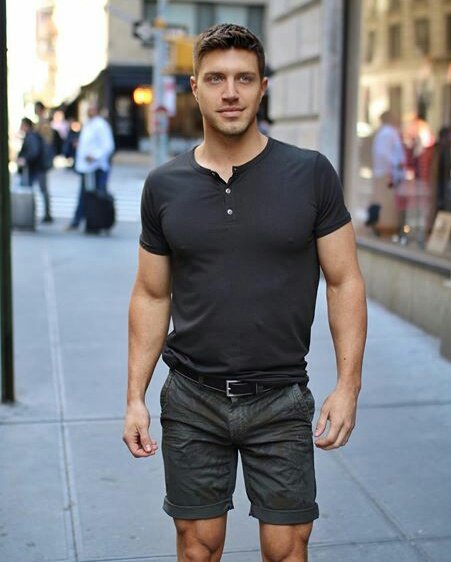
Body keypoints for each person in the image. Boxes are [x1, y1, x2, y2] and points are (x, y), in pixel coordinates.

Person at [123, 24, 367, 562]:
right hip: (192, 397)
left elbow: (344, 280)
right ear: (195, 88)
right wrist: (134, 397)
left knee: (287, 550)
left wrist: (348, 386)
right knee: (197, 547)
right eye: (216, 79)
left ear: (263, 88)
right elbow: (151, 294)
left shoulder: (310, 173)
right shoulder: (163, 185)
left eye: (244, 78)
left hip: (280, 398)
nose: (230, 92)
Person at [67, 102, 114, 230]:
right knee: (87, 195)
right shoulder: (89, 124)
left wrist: (95, 156)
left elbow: (108, 145)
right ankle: (85, 220)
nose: (89, 112)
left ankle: (95, 221)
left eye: (91, 109)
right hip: (88, 168)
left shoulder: (100, 125)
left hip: (95, 167)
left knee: (95, 195)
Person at [367, 110, 406, 234]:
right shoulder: (387, 133)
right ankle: (383, 227)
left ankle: (380, 225)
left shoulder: (384, 132)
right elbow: (385, 153)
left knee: (382, 200)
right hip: (386, 173)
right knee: (385, 202)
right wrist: (396, 164)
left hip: (383, 172)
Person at [33, 101, 55, 223]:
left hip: (41, 161)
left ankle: (47, 213)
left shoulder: (44, 123)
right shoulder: (40, 122)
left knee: (43, 188)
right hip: (38, 160)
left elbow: (47, 142)